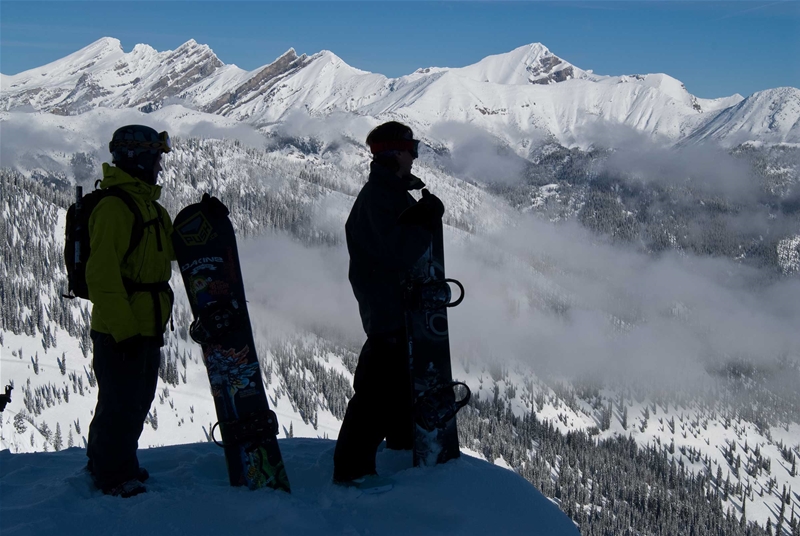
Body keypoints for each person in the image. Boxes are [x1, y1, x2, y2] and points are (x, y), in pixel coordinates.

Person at [333, 121, 444, 488]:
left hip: (396, 312)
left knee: (395, 395)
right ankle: (351, 474)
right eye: (412, 149)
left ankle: (396, 457)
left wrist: (418, 216)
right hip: (389, 316)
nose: (414, 157)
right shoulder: (379, 198)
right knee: (375, 396)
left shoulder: (390, 194)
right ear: (395, 152)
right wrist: (425, 225)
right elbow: (399, 254)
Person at [84, 125, 176, 498]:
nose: (159, 166)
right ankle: (111, 474)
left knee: (137, 400)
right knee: (119, 404)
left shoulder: (148, 205)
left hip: (145, 324)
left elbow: (169, 251)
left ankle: (117, 462)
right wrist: (124, 332)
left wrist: (205, 221)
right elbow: (101, 277)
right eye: (155, 158)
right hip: (121, 330)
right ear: (138, 159)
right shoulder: (114, 208)